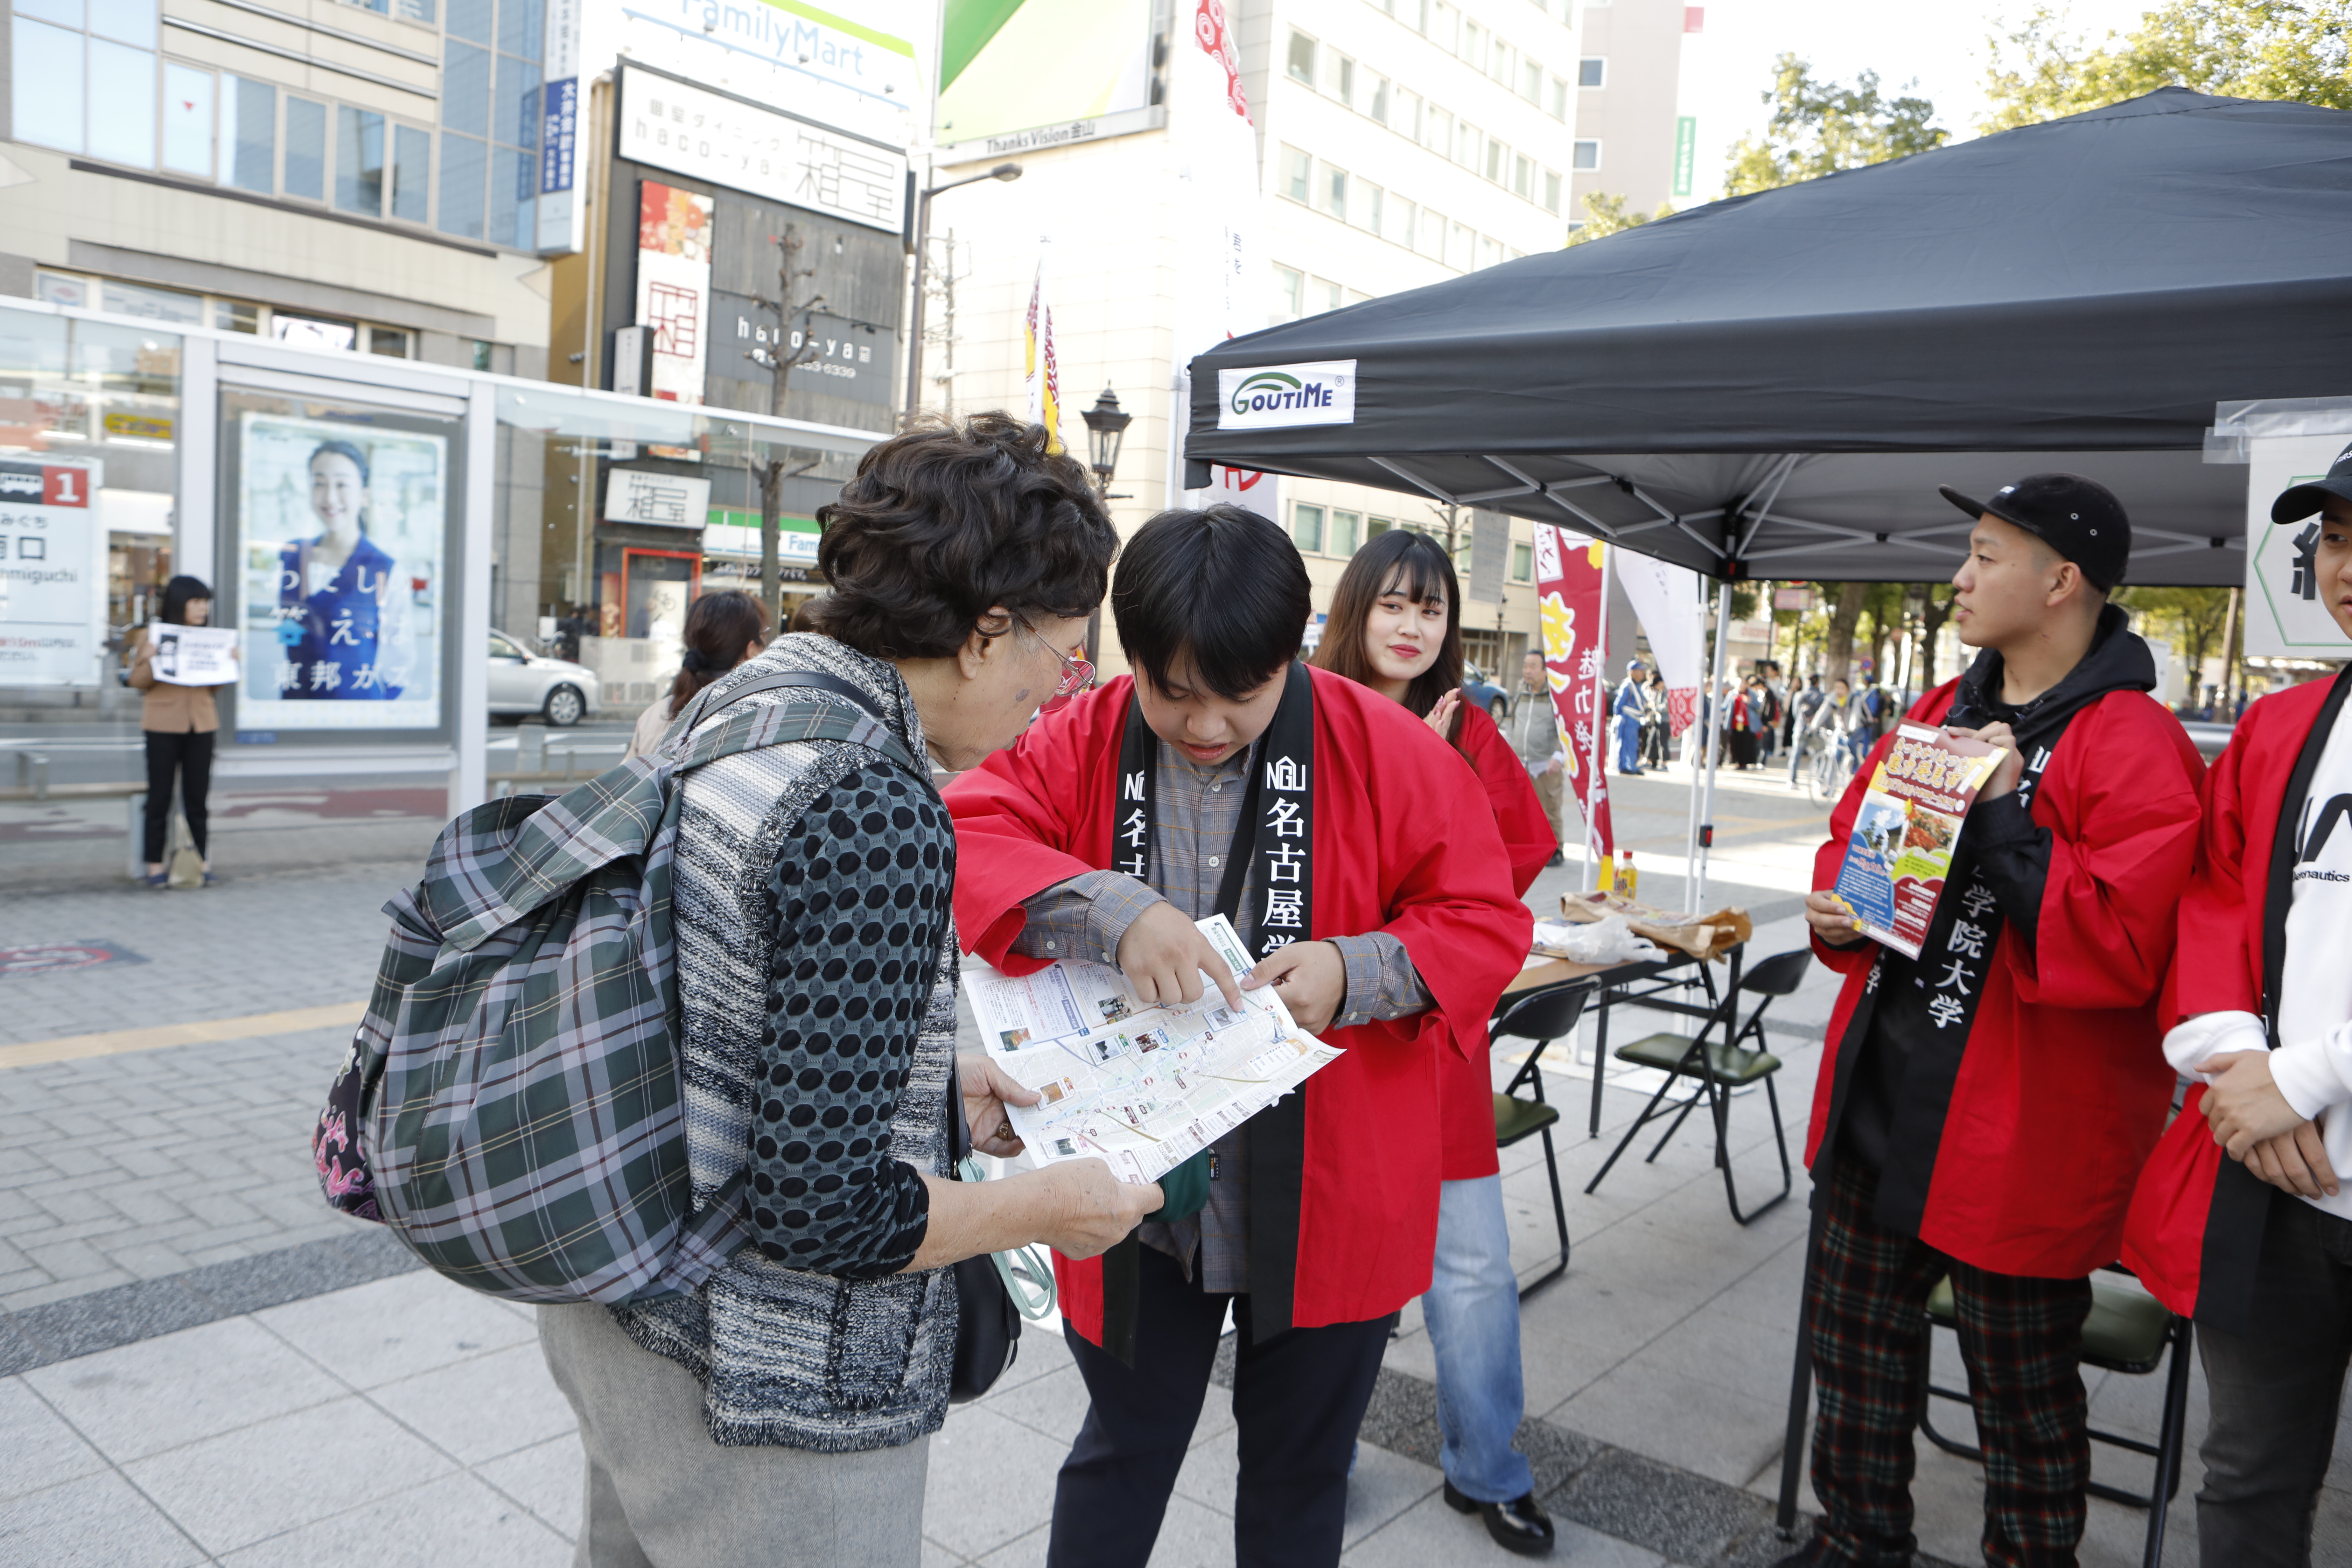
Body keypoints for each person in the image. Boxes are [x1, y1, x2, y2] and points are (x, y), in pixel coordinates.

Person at [537, 414, 1161, 1568]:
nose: (1065, 694)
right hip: (756, 1386)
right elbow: (826, 1214)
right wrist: (1052, 1206)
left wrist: (929, 1077)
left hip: (619, 1303)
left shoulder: (759, 698)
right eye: (1067, 655)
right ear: (986, 632)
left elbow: (728, 985)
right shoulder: (874, 807)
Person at [946, 504, 1533, 1568]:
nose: (1205, 723)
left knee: (1300, 1478)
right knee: (1119, 1451)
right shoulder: (1083, 732)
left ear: (1292, 650)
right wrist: (1106, 908)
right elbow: (967, 829)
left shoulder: (1387, 746)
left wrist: (1354, 969)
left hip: (1328, 1189)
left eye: (1239, 693)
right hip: (1137, 1189)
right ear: (1132, 656)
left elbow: (1485, 918)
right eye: (1173, 692)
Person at [1778, 474, 2204, 1568]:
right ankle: (1857, 1539)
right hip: (1880, 1095)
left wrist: (2009, 812)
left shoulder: (2133, 740)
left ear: (2060, 582)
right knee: (1853, 1356)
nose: (1956, 577)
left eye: (1981, 554)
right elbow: (1853, 846)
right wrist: (1837, 906)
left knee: (2022, 1399)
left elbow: (2122, 944)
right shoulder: (1938, 710)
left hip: (2017, 1133)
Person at [2120, 445, 2352, 1566]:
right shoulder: (2279, 727)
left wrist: (2301, 1077)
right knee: (2247, 1477)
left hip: (2293, 1117)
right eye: (2339, 536)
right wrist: (2232, 1065)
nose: (2345, 563)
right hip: (2273, 1183)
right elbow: (2210, 899)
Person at [1309, 529, 1558, 1555]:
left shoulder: (1470, 730)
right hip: (1332, 1044)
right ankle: (1313, 1459)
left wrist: (1452, 768)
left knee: (1471, 1266)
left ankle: (1486, 1467)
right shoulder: (1303, 716)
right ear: (1357, 609)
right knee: (1332, 1270)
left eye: (1431, 609)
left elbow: (1506, 868)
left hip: (1439, 1039)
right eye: (1394, 605)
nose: (1413, 626)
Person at [274, 439, 413, 700]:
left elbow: (400, 657)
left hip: (355, 715)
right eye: (319, 483)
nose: (330, 497)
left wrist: (379, 711)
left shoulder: (384, 569)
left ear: (365, 496)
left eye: (342, 485)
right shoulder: (292, 556)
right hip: (295, 713)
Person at [125, 575, 230, 888]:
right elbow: (138, 684)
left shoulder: (210, 639)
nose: (202, 610)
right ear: (179, 603)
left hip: (202, 724)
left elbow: (214, 687)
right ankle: (155, 865)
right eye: (196, 603)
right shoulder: (152, 635)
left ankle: (200, 862)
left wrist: (227, 664)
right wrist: (148, 660)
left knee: (197, 799)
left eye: (205, 604)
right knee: (159, 798)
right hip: (162, 725)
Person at [623, 589, 770, 760]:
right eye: (765, 634)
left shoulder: (654, 716)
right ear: (752, 650)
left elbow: (627, 783)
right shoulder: (762, 720)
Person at [1511, 649, 1567, 868]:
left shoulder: (1555, 697)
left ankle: (1556, 849)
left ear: (1546, 671)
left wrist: (1558, 755)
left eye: (1533, 666)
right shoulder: (1521, 692)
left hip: (1546, 763)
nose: (1528, 671)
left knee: (1549, 808)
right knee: (1521, 809)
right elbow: (1514, 723)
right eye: (1526, 666)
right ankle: (1529, 849)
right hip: (1521, 761)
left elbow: (1565, 730)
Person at [1787, 673, 1827, 788]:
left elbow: (1795, 713)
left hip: (1800, 728)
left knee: (1796, 755)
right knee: (1819, 755)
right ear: (1818, 683)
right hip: (1816, 730)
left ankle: (1792, 780)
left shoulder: (1800, 695)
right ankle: (1819, 780)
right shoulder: (1821, 696)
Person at [1612, 659, 1647, 776]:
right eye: (1640, 670)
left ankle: (1632, 766)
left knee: (1633, 744)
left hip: (1634, 720)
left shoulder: (1636, 685)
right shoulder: (1628, 686)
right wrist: (1617, 718)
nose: (1643, 673)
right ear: (1632, 672)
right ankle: (1623, 766)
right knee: (1624, 743)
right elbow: (1619, 704)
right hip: (1627, 719)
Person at [1641, 670, 1669, 770]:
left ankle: (1664, 764)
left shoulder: (1666, 692)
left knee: (1663, 743)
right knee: (1652, 741)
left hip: (1665, 721)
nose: (1655, 688)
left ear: (1661, 683)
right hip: (1658, 720)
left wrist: (1655, 707)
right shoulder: (1661, 692)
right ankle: (1648, 761)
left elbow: (1666, 707)